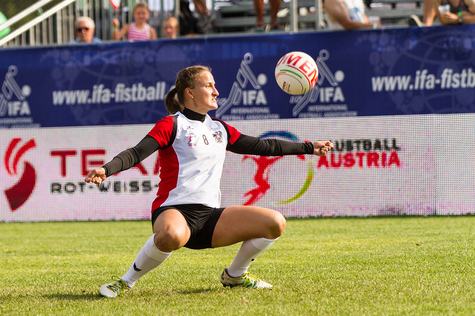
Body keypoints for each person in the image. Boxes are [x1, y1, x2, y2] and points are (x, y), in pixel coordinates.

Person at [85, 65, 334, 298]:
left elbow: (264, 146)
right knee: (171, 235)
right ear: (190, 92)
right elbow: (137, 153)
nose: (216, 91)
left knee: (275, 223)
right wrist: (107, 169)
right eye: (209, 86)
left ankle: (235, 276)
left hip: (210, 217)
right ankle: (126, 281)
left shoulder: (220, 129)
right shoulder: (172, 124)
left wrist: (309, 147)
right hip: (173, 210)